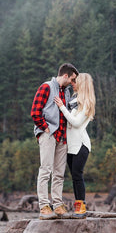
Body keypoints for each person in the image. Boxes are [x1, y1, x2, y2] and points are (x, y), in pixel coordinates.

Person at [31, 63, 78, 220]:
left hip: (63, 137)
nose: (73, 83)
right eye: (72, 79)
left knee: (59, 174)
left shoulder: (67, 92)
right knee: (45, 170)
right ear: (65, 75)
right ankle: (44, 206)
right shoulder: (46, 87)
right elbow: (35, 112)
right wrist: (46, 128)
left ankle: (58, 205)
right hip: (49, 134)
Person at [54, 73, 95, 219]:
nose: (72, 83)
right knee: (74, 177)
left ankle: (81, 208)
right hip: (70, 145)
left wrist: (61, 107)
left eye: (75, 82)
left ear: (82, 84)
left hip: (80, 145)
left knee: (78, 176)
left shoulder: (86, 102)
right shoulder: (72, 100)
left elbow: (76, 123)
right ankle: (78, 207)